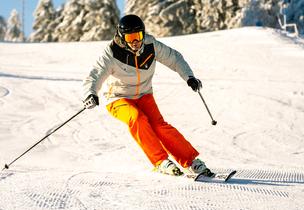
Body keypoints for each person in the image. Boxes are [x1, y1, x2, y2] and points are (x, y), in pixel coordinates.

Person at [82, 14, 213, 177]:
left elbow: (174, 58)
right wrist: (90, 93)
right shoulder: (111, 53)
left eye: (138, 36)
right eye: (130, 37)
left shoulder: (151, 45)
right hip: (117, 97)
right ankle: (160, 161)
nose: (135, 41)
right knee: (137, 118)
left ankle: (191, 161)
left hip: (144, 94)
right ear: (122, 38)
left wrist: (189, 77)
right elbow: (95, 74)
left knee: (160, 126)